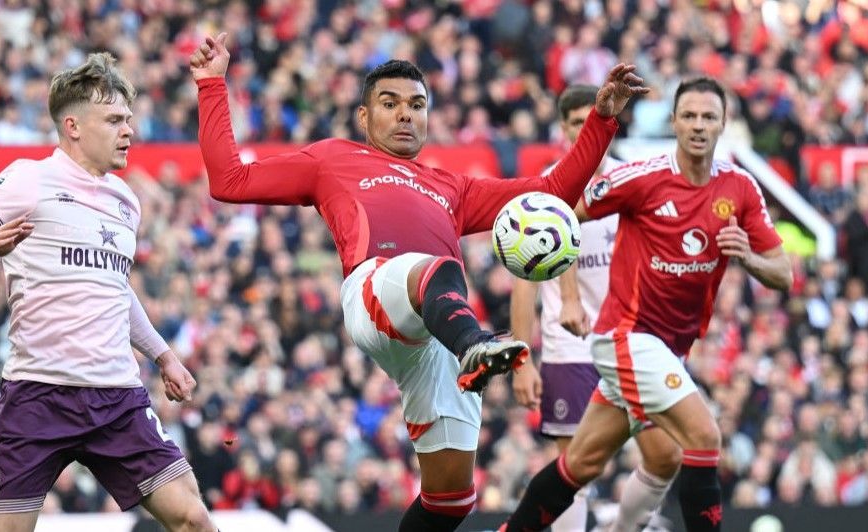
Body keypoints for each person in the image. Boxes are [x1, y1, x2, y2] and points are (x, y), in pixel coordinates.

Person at [190, 32, 647, 532]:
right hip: (378, 293)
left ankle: (469, 347)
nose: (406, 114)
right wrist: (212, 85)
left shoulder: (451, 186)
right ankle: (475, 345)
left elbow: (552, 192)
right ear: (364, 118)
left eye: (416, 104)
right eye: (390, 104)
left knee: (452, 500)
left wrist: (603, 119)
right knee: (433, 269)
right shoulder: (332, 158)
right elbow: (228, 180)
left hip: (437, 333)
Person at [499, 77, 792, 532]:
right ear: (672, 122)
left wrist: (748, 257)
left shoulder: (740, 189)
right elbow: (559, 211)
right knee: (703, 436)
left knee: (586, 463)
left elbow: (784, 274)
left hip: (667, 347)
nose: (698, 126)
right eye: (689, 116)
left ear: (723, 125)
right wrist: (555, 298)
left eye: (708, 117)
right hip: (623, 337)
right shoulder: (639, 177)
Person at [0, 53, 216, 532]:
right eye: (113, 120)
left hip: (116, 397)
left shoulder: (125, 200)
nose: (128, 129)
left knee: (193, 518)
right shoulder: (28, 179)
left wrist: (163, 355)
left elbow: (115, 288)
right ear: (72, 126)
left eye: (129, 118)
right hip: (37, 395)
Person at [510, 85, 681, 531]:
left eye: (594, 120)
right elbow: (525, 284)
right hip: (571, 347)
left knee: (665, 454)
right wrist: (522, 359)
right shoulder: (542, 192)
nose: (586, 130)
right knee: (573, 468)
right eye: (575, 122)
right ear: (563, 129)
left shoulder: (633, 181)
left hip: (632, 339)